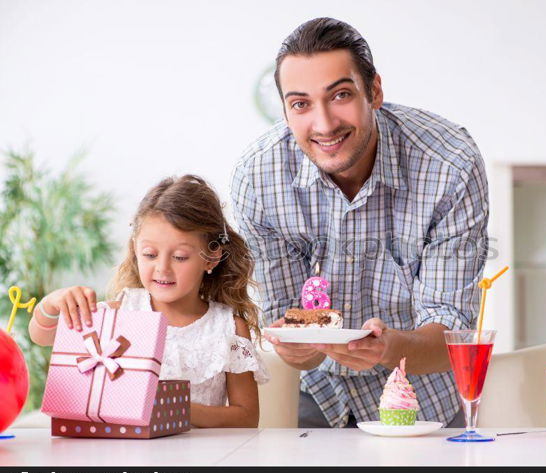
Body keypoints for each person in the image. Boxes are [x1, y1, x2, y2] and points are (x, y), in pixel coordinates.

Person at [231, 18, 488, 428]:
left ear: (375, 91)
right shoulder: (258, 177)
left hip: (424, 400)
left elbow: (453, 333)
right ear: (285, 110)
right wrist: (299, 346)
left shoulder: (449, 164)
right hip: (317, 396)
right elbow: (285, 318)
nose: (325, 123)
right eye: (300, 104)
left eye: (341, 95)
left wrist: (386, 347)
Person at [29, 175, 269, 428]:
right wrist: (51, 304)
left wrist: (171, 406)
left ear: (210, 258)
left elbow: (247, 417)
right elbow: (41, 336)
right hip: (127, 458)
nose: (162, 269)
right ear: (135, 250)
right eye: (150, 255)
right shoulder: (120, 314)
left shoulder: (227, 329)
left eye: (179, 257)